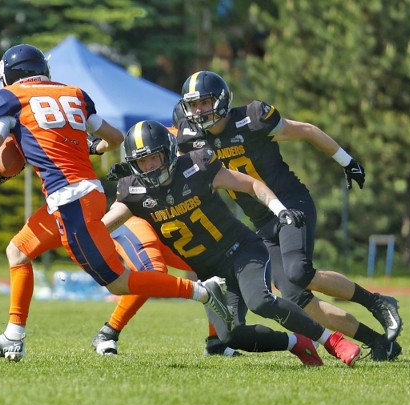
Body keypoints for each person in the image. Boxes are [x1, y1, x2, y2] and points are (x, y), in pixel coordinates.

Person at [0, 44, 229, 361]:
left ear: (10, 74)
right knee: (18, 250)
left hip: (68, 198)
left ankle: (203, 291)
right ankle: (14, 335)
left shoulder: (9, 98)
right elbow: (116, 138)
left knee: (120, 283)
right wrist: (92, 148)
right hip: (84, 192)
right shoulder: (75, 93)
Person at [175, 71, 402, 360]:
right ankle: (380, 343)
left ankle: (378, 303)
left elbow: (306, 130)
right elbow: (169, 158)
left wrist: (347, 161)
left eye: (204, 103)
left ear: (221, 100)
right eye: (193, 105)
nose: (198, 111)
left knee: (299, 271)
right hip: (262, 221)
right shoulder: (191, 138)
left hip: (291, 203)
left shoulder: (253, 118)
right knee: (296, 297)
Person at [101, 119, 364, 366]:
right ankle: (296, 342)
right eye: (142, 161)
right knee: (229, 337)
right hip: (210, 273)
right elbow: (107, 223)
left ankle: (334, 341)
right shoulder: (133, 191)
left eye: (154, 158)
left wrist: (278, 208)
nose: (149, 167)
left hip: (242, 252)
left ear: (168, 153)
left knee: (260, 302)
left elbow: (250, 185)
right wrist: (81, 239)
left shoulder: (196, 167)